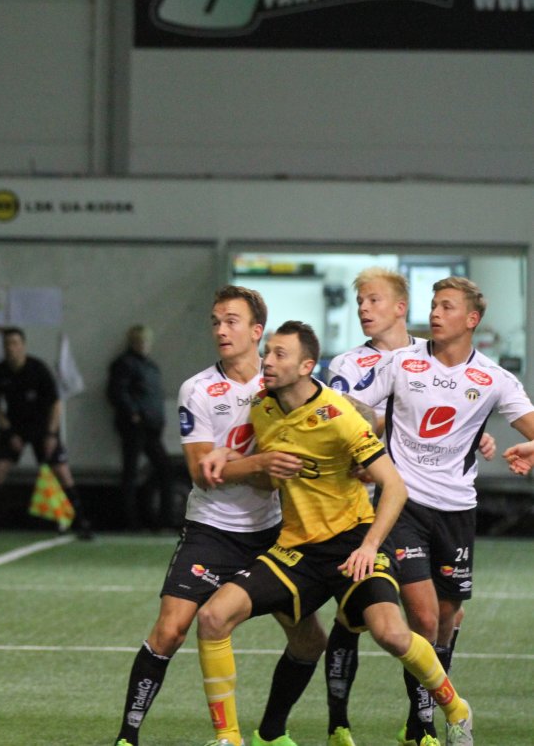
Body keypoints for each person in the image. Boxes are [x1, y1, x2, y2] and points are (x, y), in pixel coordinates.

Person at [195, 320, 475, 746]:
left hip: (352, 544)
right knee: (213, 617)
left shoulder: (339, 416)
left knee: (391, 633)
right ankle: (228, 739)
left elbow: (395, 486)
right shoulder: (263, 406)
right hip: (297, 550)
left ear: (306, 366)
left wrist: (369, 546)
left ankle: (456, 708)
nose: (267, 361)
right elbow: (253, 452)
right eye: (267, 352)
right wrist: (226, 453)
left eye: (280, 354)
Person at [113, 286, 326, 746]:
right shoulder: (198, 389)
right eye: (215, 322)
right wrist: (260, 464)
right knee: (170, 631)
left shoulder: (283, 382)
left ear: (257, 331)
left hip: (273, 534)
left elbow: (301, 455)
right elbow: (201, 472)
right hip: (211, 531)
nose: (221, 330)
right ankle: (127, 737)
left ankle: (271, 732)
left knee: (311, 640)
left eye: (232, 321)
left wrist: (236, 462)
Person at [348, 277, 533, 746]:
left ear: (471, 319)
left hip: (457, 511)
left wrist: (530, 445)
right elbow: (354, 409)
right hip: (403, 504)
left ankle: (422, 720)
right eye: (433, 305)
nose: (434, 313)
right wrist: (358, 448)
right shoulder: (400, 362)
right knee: (425, 619)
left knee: (447, 619)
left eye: (446, 306)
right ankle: (427, 724)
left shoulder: (492, 378)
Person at [320, 269, 493, 746]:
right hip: (360, 507)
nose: (363, 308)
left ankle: (421, 723)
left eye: (373, 299)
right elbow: (347, 420)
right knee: (355, 614)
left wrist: (472, 432)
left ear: (400, 307)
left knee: (441, 618)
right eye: (360, 301)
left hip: (426, 504)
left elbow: (449, 409)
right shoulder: (350, 363)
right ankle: (339, 723)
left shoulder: (432, 353)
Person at [0, 327, 92, 539]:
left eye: (15, 343)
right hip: (15, 428)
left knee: (62, 472)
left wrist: (51, 435)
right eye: (7, 344)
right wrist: (9, 432)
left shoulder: (38, 369)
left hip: (42, 427)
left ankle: (82, 523)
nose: (11, 348)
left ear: (23, 346)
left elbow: (56, 403)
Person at [107, 324, 174, 530]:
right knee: (132, 472)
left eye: (145, 341)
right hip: (135, 427)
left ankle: (164, 520)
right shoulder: (125, 364)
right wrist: (133, 414)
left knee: (163, 470)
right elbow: (116, 392)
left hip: (151, 427)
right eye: (139, 341)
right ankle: (131, 521)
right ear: (132, 342)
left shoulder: (150, 366)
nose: (143, 345)